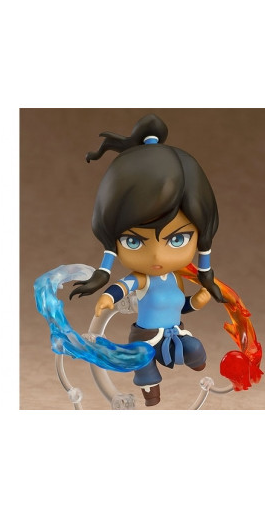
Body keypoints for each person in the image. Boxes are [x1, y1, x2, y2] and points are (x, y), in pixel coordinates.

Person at [70, 114, 225, 406]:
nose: (157, 256)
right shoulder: (142, 278)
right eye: (134, 241)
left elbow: (178, 305)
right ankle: (150, 394)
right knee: (145, 369)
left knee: (194, 349)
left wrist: (196, 301)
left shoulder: (176, 279)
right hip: (144, 339)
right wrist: (107, 298)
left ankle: (198, 364)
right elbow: (123, 287)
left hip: (173, 333)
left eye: (177, 239)